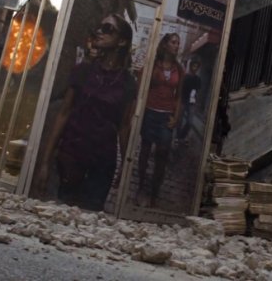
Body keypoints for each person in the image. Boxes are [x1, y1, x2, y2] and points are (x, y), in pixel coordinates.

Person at [35, 13, 136, 211]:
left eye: (108, 29)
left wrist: (125, 163)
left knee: (90, 218)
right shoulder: (83, 71)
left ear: (122, 41)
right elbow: (63, 114)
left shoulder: (128, 83)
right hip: (72, 155)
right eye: (99, 27)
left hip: (102, 162)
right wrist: (45, 162)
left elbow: (124, 125)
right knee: (64, 212)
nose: (99, 32)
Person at [137, 32, 184, 207]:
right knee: (145, 150)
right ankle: (141, 186)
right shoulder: (153, 65)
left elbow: (179, 96)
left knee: (162, 154)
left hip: (166, 116)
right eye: (173, 42)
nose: (176, 45)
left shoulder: (179, 70)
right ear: (165, 44)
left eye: (178, 43)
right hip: (150, 112)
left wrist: (176, 116)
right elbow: (141, 85)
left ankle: (155, 192)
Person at [175, 56, 202, 146]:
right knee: (179, 120)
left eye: (196, 66)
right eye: (193, 66)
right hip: (183, 100)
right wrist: (179, 101)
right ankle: (178, 137)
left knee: (190, 122)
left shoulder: (198, 79)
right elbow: (181, 89)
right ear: (191, 66)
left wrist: (197, 102)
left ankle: (182, 136)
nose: (195, 68)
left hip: (191, 102)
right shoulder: (185, 77)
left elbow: (197, 91)